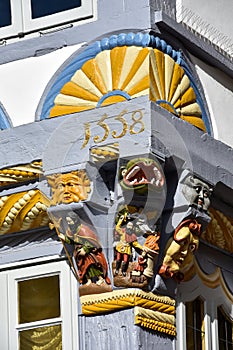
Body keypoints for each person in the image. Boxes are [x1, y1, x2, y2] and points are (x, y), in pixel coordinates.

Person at [58, 212, 111, 286]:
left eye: (70, 221)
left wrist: (85, 250)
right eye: (68, 222)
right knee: (83, 267)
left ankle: (100, 278)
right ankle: (88, 279)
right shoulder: (71, 231)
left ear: (75, 220)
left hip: (89, 252)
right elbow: (72, 241)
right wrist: (65, 238)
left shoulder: (83, 230)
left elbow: (93, 242)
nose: (69, 223)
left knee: (91, 265)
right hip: (79, 252)